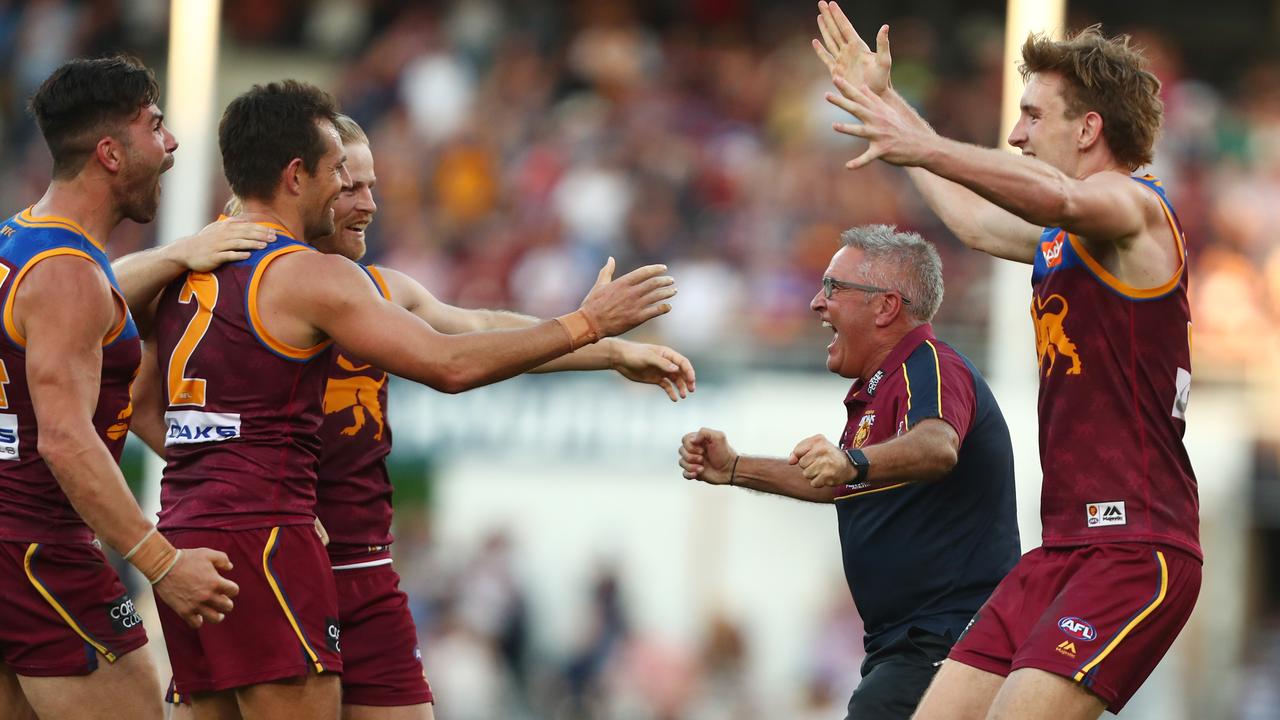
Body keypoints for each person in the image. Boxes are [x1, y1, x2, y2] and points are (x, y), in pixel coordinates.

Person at [125, 80, 674, 720]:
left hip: (339, 557)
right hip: (278, 543)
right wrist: (587, 327)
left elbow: (474, 328)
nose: (362, 201)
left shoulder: (252, 272)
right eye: (346, 180)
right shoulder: (299, 276)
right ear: (298, 176)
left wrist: (606, 351)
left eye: (367, 184)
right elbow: (450, 362)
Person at [812, 4, 1202, 717]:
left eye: (1031, 115)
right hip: (1060, 553)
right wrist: (885, 104)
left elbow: (1058, 195)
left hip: (1133, 548)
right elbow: (972, 219)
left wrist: (921, 145)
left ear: (1088, 129)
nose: (1016, 133)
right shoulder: (1065, 235)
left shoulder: (1133, 209)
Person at [679, 225, 1019, 719]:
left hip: (952, 635)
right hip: (908, 642)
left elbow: (938, 445)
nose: (817, 302)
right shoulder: (878, 392)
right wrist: (734, 467)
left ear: (885, 307)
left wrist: (853, 460)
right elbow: (841, 484)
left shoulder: (932, 366)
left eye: (833, 288)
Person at [0, 56, 247, 720]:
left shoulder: (21, 243)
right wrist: (163, 563)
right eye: (156, 125)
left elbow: (89, 299)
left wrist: (174, 255)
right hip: (38, 547)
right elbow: (65, 440)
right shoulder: (67, 276)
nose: (170, 145)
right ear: (110, 153)